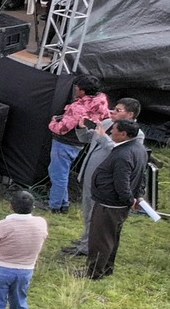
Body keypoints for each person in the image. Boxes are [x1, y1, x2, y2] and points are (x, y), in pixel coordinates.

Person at [63, 95, 143, 256]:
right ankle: (86, 239)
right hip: (89, 174)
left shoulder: (136, 135)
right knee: (87, 211)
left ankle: (88, 246)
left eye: (119, 110)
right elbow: (88, 139)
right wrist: (82, 128)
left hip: (104, 182)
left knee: (95, 214)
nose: (113, 112)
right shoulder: (107, 123)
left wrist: (103, 137)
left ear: (130, 115)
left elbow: (121, 153)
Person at [84, 117, 146, 280]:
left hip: (110, 205)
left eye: (114, 130)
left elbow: (121, 182)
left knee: (100, 240)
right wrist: (137, 196)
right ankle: (106, 268)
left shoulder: (123, 154)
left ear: (124, 134)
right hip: (117, 204)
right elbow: (141, 176)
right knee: (112, 238)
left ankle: (93, 272)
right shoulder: (139, 149)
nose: (111, 131)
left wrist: (129, 199)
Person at [45, 75, 109, 212]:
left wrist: (53, 121)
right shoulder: (101, 103)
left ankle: (55, 205)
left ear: (83, 91)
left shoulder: (78, 107)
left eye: (77, 88)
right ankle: (64, 203)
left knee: (58, 174)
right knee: (61, 173)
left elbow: (62, 129)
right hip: (79, 143)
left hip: (64, 143)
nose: (75, 90)